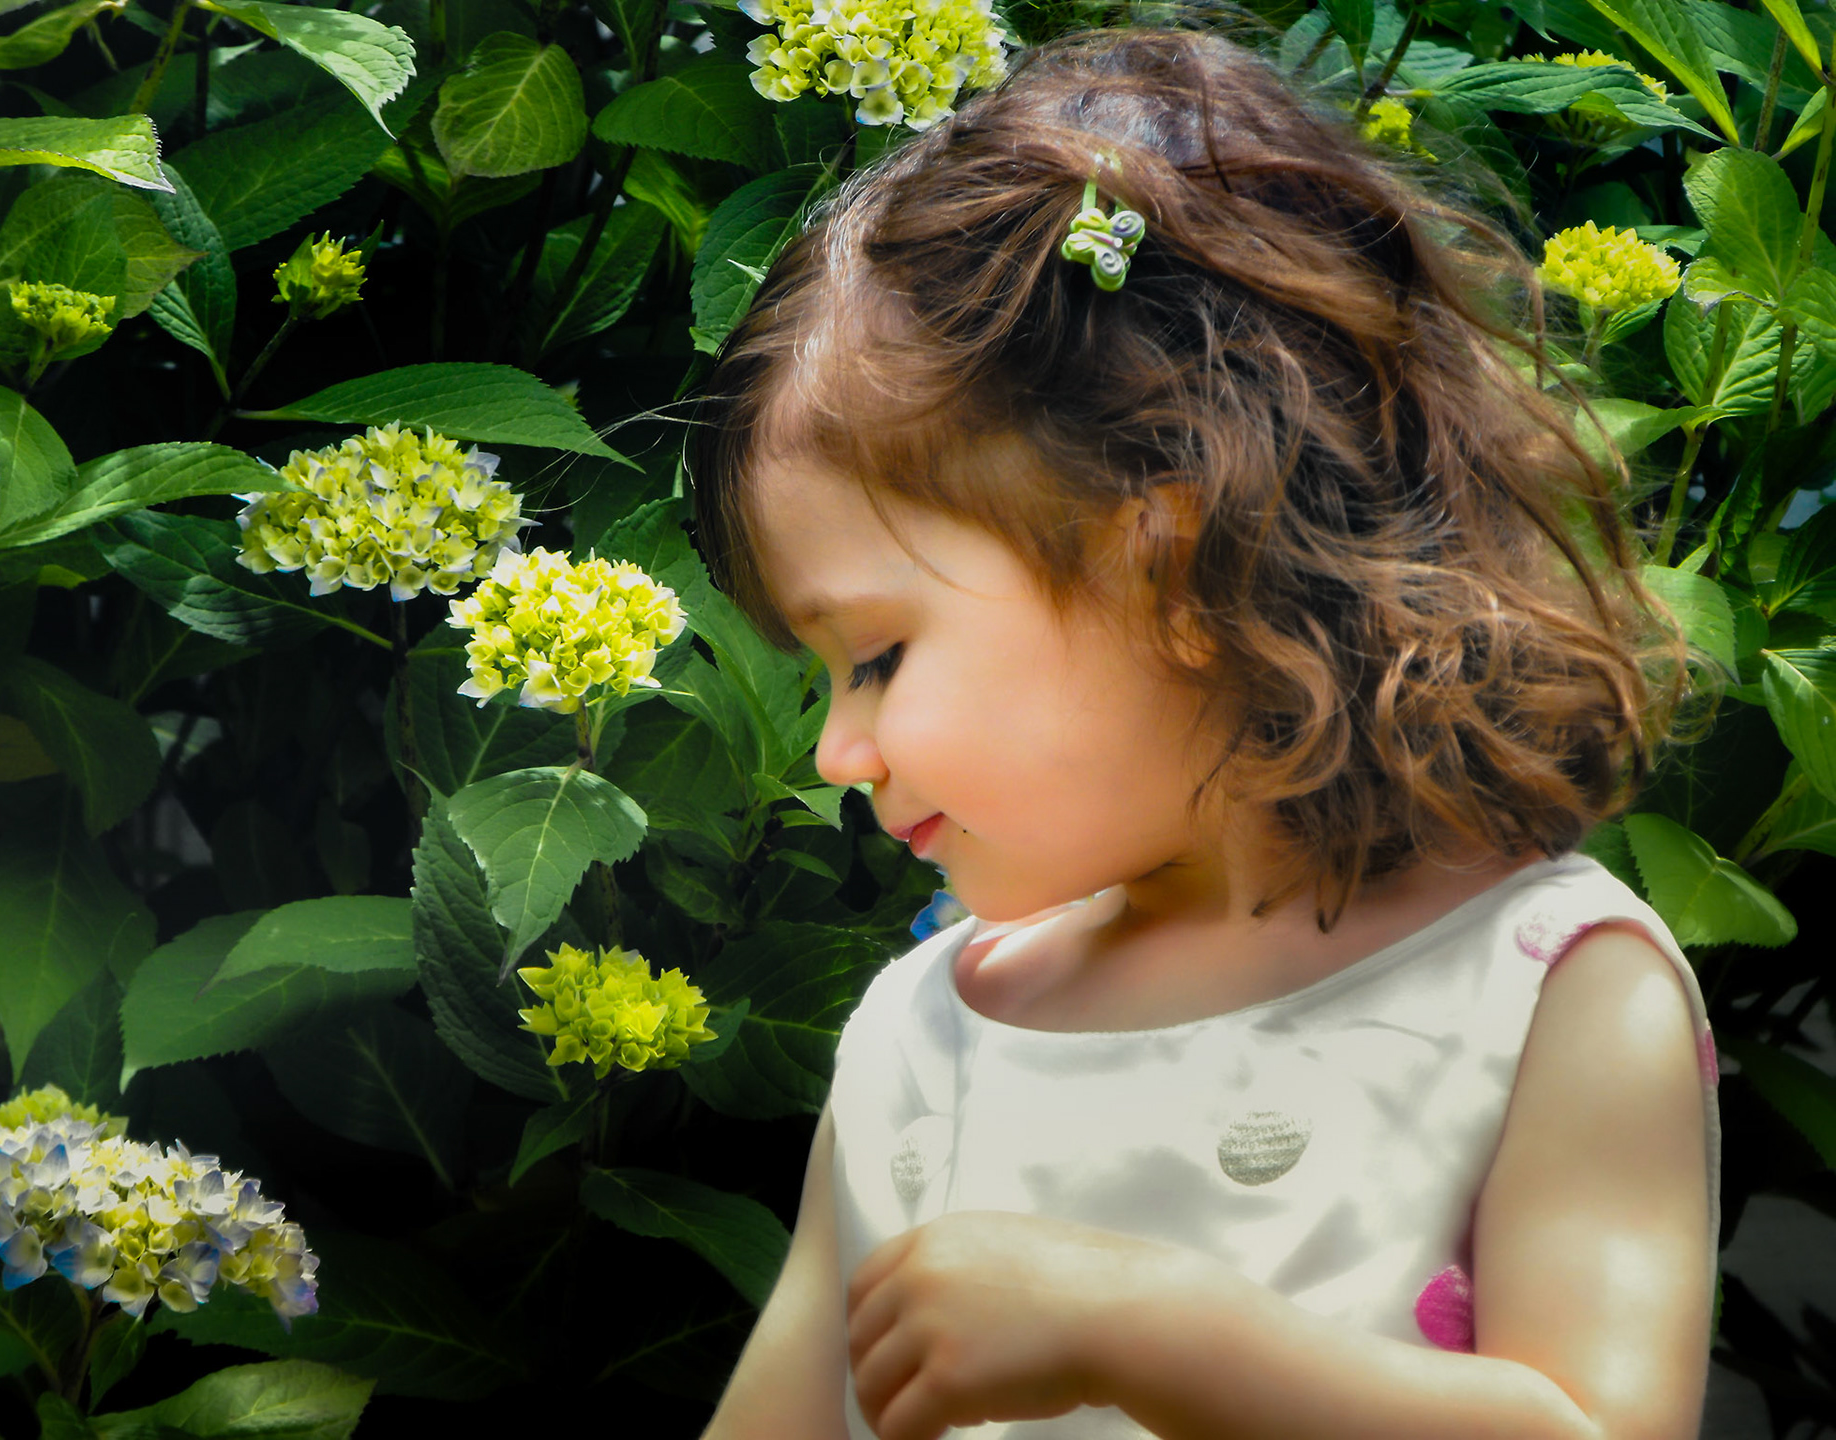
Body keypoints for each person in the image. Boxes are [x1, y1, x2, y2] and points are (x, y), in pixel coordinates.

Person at [686, 24, 1718, 1440]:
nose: (834, 755)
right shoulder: (922, 1042)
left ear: (1164, 571)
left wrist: (1160, 1336)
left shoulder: (1547, 997)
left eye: (870, 658)